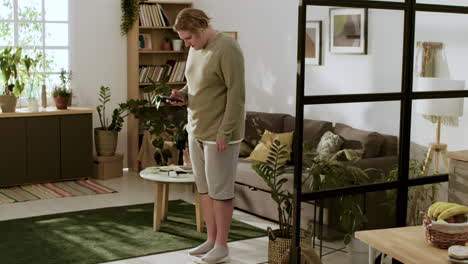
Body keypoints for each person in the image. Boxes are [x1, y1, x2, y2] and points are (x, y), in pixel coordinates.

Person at [168, 8, 245, 264]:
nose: (187, 43)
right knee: (204, 190)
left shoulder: (227, 48)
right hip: (196, 129)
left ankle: (222, 245)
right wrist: (182, 94)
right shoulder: (195, 50)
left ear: (201, 27)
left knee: (220, 192)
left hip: (220, 134)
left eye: (189, 37)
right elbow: (195, 84)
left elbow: (236, 93)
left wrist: (226, 131)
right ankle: (211, 239)